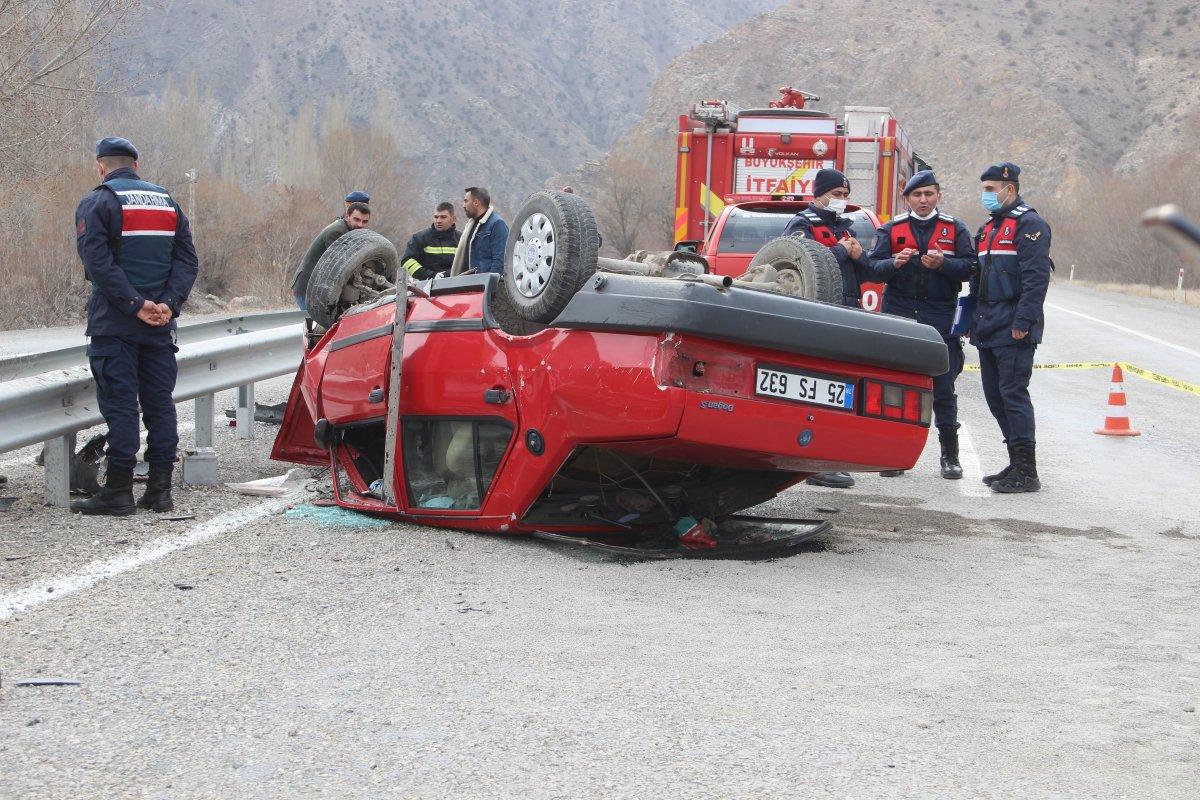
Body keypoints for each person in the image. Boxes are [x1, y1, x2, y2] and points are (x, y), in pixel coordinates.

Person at [70, 137, 198, 516]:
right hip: (160, 325)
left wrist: (134, 304)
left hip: (116, 325)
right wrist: (167, 305)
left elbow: (98, 263)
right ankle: (160, 491)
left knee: (122, 407)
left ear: (101, 166)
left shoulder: (99, 202)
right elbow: (187, 261)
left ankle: (119, 491)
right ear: (136, 166)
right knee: (160, 405)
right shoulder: (167, 203)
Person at [867, 170, 976, 479]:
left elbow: (971, 268)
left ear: (938, 195)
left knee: (943, 386)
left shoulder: (955, 229)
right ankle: (893, 455)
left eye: (929, 194)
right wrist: (893, 263)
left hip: (940, 314)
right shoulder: (892, 229)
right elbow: (873, 270)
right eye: (917, 195)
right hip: (900, 312)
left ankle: (949, 456)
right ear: (908, 198)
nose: (923, 200)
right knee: (895, 386)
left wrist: (945, 265)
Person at [784, 168, 871, 489]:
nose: (842, 201)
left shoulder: (844, 228)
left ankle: (830, 457)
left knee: (842, 390)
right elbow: (805, 263)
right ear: (819, 193)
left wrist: (863, 257)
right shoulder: (801, 225)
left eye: (846, 196)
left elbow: (865, 271)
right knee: (817, 390)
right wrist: (841, 251)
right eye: (836, 195)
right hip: (818, 314)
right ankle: (811, 463)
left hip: (846, 310)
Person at [969, 162, 1052, 493]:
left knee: (1013, 395)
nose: (986, 196)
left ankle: (1027, 471)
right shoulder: (990, 228)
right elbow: (979, 278)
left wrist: (1024, 321)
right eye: (984, 190)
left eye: (991, 190)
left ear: (1010, 190)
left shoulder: (1029, 224)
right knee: (994, 396)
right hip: (988, 324)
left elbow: (1036, 279)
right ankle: (1015, 462)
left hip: (1013, 325)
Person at [290, 202, 370, 310]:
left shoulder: (351, 231)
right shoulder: (336, 232)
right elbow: (340, 265)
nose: (360, 224)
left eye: (364, 221)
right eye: (356, 219)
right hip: (308, 287)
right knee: (318, 325)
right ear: (347, 216)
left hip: (320, 287)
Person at [400, 202, 461, 280]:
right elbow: (407, 262)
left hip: (458, 286)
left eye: (443, 217)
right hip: (426, 288)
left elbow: (469, 264)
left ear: (453, 219)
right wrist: (430, 275)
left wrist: (449, 274)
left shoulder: (462, 240)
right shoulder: (419, 238)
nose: (438, 221)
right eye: (436, 217)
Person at [459, 186, 509, 274]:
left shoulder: (497, 224)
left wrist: (489, 284)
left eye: (466, 201)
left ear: (476, 202)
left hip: (484, 284)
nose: (463, 205)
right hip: (469, 283)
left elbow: (500, 260)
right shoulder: (470, 225)